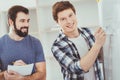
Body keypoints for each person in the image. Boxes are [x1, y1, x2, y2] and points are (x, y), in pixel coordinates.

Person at [51, 1, 106, 80]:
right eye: (63, 19)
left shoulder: (88, 32)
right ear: (57, 22)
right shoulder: (57, 46)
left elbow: (98, 57)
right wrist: (97, 45)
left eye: (70, 15)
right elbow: (77, 68)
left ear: (75, 14)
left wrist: (103, 43)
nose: (69, 21)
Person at [0, 5, 46, 80]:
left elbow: (43, 75)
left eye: (28, 21)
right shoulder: (1, 44)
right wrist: (8, 73)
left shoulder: (35, 43)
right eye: (22, 21)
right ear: (11, 22)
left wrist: (24, 78)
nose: (26, 24)